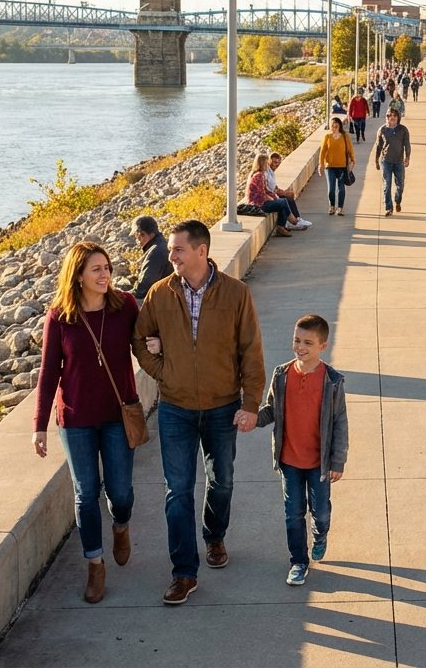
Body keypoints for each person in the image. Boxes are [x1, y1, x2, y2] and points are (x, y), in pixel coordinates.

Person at [131, 220, 267, 607]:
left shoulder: (236, 294)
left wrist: (250, 403)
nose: (169, 255)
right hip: (176, 408)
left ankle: (215, 535)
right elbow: (139, 339)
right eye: (171, 249)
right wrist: (162, 372)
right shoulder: (160, 293)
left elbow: (251, 352)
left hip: (224, 405)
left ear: (201, 251)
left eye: (177, 250)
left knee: (221, 481)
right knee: (178, 491)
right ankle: (184, 573)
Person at [33, 241, 140, 605]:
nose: (104, 274)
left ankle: (121, 525)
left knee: (121, 492)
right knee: (85, 493)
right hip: (76, 418)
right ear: (78, 275)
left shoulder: (124, 306)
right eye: (96, 269)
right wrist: (40, 425)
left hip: (117, 415)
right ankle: (95, 564)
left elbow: (143, 341)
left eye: (107, 267)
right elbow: (49, 374)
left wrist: (154, 345)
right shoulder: (60, 317)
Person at [256, 314, 349, 587]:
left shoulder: (332, 381)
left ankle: (320, 535)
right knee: (293, 512)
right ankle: (298, 561)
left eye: (308, 342)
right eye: (297, 340)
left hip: (319, 462)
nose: (300, 347)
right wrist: (252, 419)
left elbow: (340, 422)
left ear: (323, 346)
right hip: (290, 460)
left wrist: (338, 461)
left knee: (320, 512)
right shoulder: (282, 375)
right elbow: (272, 409)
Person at [245, 153, 294, 237]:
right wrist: (272, 199)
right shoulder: (259, 176)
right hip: (258, 204)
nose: (267, 165)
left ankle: (282, 226)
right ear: (262, 164)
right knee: (282, 202)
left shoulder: (260, 174)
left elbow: (266, 190)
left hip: (260, 202)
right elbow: (262, 194)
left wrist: (274, 196)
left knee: (281, 203)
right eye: (266, 163)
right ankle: (291, 221)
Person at [374, 107, 411, 216]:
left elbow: (407, 145)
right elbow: (378, 146)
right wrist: (376, 160)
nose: (392, 118)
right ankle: (388, 207)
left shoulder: (403, 130)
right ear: (387, 117)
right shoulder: (382, 130)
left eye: (394, 116)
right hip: (386, 161)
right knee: (387, 184)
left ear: (398, 117)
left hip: (399, 161)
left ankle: (397, 200)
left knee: (400, 185)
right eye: (390, 115)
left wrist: (407, 157)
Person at [318, 117, 356, 216]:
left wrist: (353, 160)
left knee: (341, 188)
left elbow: (350, 149)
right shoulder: (327, 137)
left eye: (336, 126)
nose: (334, 128)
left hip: (342, 166)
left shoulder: (345, 136)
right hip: (330, 166)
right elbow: (322, 152)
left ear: (339, 126)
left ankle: (340, 208)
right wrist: (321, 165)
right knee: (331, 188)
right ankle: (331, 206)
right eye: (332, 126)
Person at [264, 151, 312, 230]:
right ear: (269, 161)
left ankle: (295, 219)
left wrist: (283, 192)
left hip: (271, 194)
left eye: (278, 162)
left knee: (288, 196)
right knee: (286, 199)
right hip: (268, 196)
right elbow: (271, 189)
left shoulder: (271, 172)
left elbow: (274, 187)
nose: (277, 164)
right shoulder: (266, 172)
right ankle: (294, 221)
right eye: (274, 162)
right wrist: (284, 193)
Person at [129, 215, 171, 301]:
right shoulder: (163, 244)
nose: (137, 241)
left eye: (137, 237)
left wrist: (123, 296)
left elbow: (143, 289)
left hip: (162, 301)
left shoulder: (155, 252)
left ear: (143, 234)